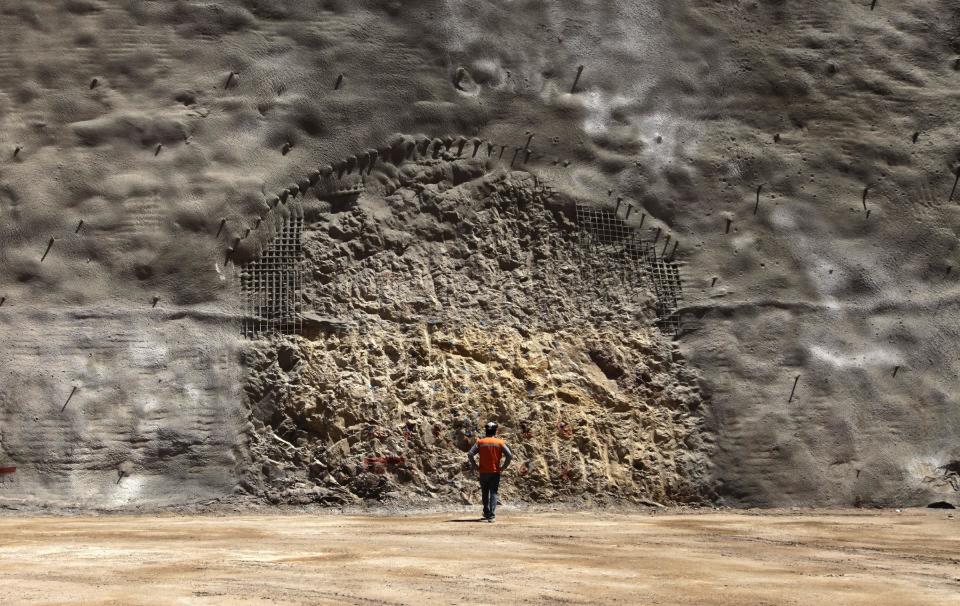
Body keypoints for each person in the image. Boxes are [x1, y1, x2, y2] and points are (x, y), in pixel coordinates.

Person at [467, 421, 514, 522]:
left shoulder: (480, 442)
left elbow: (470, 454)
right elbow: (509, 456)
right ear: (495, 431)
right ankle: (491, 515)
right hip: (495, 472)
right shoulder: (500, 442)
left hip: (483, 471)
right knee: (493, 492)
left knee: (485, 492)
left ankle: (486, 512)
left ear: (486, 431)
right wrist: (503, 467)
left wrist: (475, 466)